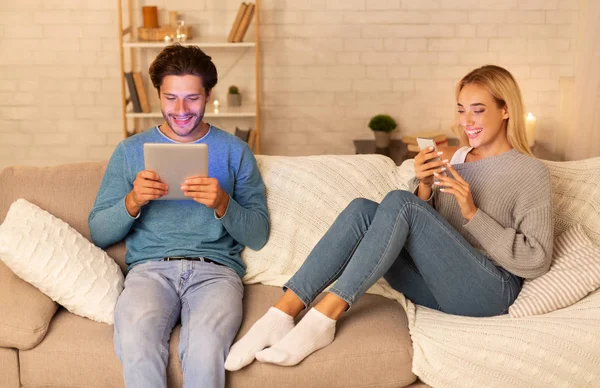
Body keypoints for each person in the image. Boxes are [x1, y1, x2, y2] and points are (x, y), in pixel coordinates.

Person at [224, 64, 553, 371]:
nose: (467, 121)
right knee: (362, 210)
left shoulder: (530, 172)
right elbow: (434, 232)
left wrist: (472, 212)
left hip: (488, 292)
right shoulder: (457, 156)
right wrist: (425, 187)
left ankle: (324, 318)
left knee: (399, 202)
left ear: (505, 109)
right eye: (461, 109)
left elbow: (537, 259)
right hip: (436, 285)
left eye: (478, 110)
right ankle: (282, 313)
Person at [88, 44, 269, 387]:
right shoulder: (129, 152)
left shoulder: (235, 151)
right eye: (171, 98)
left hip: (216, 273)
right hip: (149, 271)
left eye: (192, 98)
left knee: (205, 346)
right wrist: (132, 201)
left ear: (208, 95)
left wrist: (222, 203)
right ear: (158, 95)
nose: (181, 110)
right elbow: (99, 231)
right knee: (136, 336)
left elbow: (258, 234)